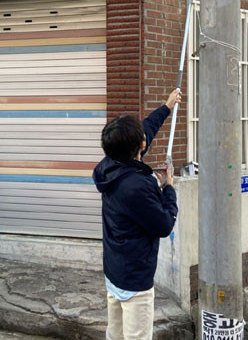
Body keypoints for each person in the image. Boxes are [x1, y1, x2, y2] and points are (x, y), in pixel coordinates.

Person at [92, 89, 182, 340]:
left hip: (114, 271)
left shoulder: (108, 167)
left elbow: (145, 132)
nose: (145, 137)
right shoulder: (137, 186)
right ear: (139, 147)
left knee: (115, 335)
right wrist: (168, 188)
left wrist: (167, 107)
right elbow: (164, 225)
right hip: (134, 280)